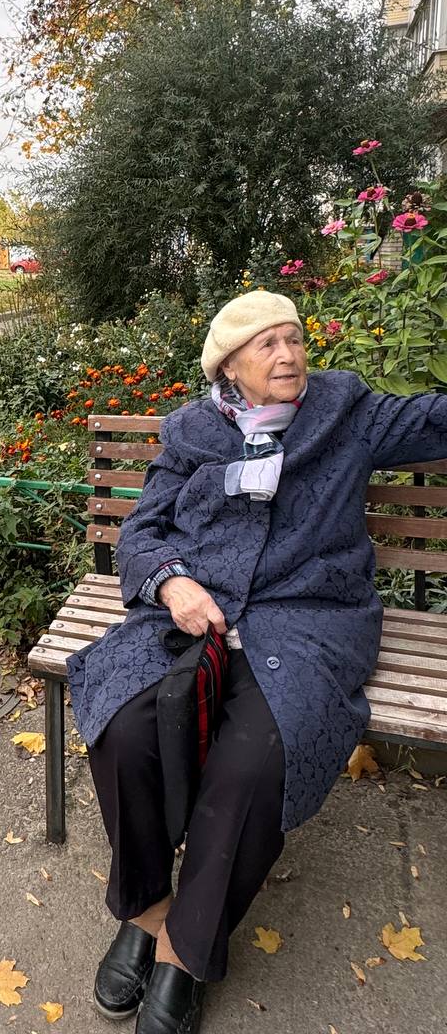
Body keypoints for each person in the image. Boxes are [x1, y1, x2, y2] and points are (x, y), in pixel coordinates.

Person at [68, 290, 447, 1034]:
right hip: (191, 616)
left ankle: (184, 952)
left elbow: (436, 419)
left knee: (255, 765)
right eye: (268, 344)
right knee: (122, 728)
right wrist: (173, 583)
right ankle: (147, 911)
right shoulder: (192, 434)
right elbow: (142, 532)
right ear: (230, 365)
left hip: (307, 621)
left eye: (295, 339)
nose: (289, 355)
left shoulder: (345, 411)